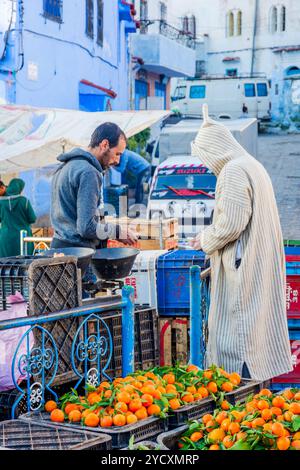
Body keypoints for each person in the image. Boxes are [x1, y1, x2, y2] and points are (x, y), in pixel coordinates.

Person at [190, 104, 292, 381]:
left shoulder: (233, 170)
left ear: (214, 150)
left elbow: (231, 224)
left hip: (243, 267)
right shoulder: (252, 164)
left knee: (237, 336)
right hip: (259, 260)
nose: (207, 165)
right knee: (256, 332)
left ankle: (242, 394)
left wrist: (203, 240)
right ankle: (256, 392)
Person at [50, 122, 138, 252]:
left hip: (59, 250)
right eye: (118, 154)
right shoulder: (89, 172)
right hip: (78, 255)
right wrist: (119, 232)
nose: (118, 161)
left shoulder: (65, 167)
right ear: (104, 145)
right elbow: (86, 227)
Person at [0, 178, 36, 257]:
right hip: (23, 237)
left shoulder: (1, 202)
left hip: (5, 237)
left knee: (6, 265)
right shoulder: (24, 201)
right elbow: (32, 219)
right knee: (24, 263)